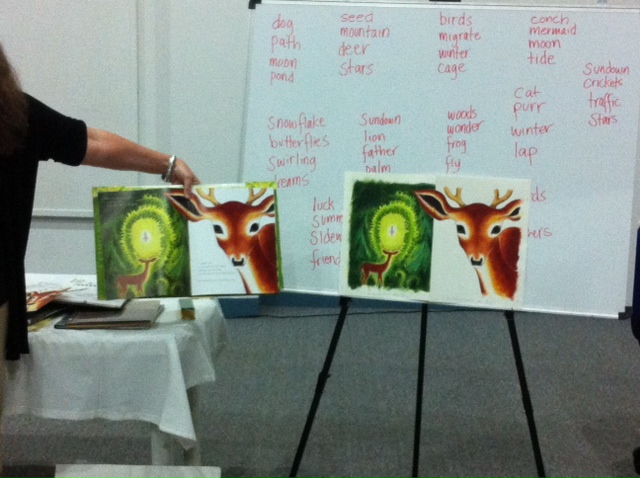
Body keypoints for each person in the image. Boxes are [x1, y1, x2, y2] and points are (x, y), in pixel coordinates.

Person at [0, 41, 201, 471]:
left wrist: (167, 164)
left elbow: (89, 140)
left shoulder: (14, 114)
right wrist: (168, 164)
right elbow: (90, 141)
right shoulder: (13, 114)